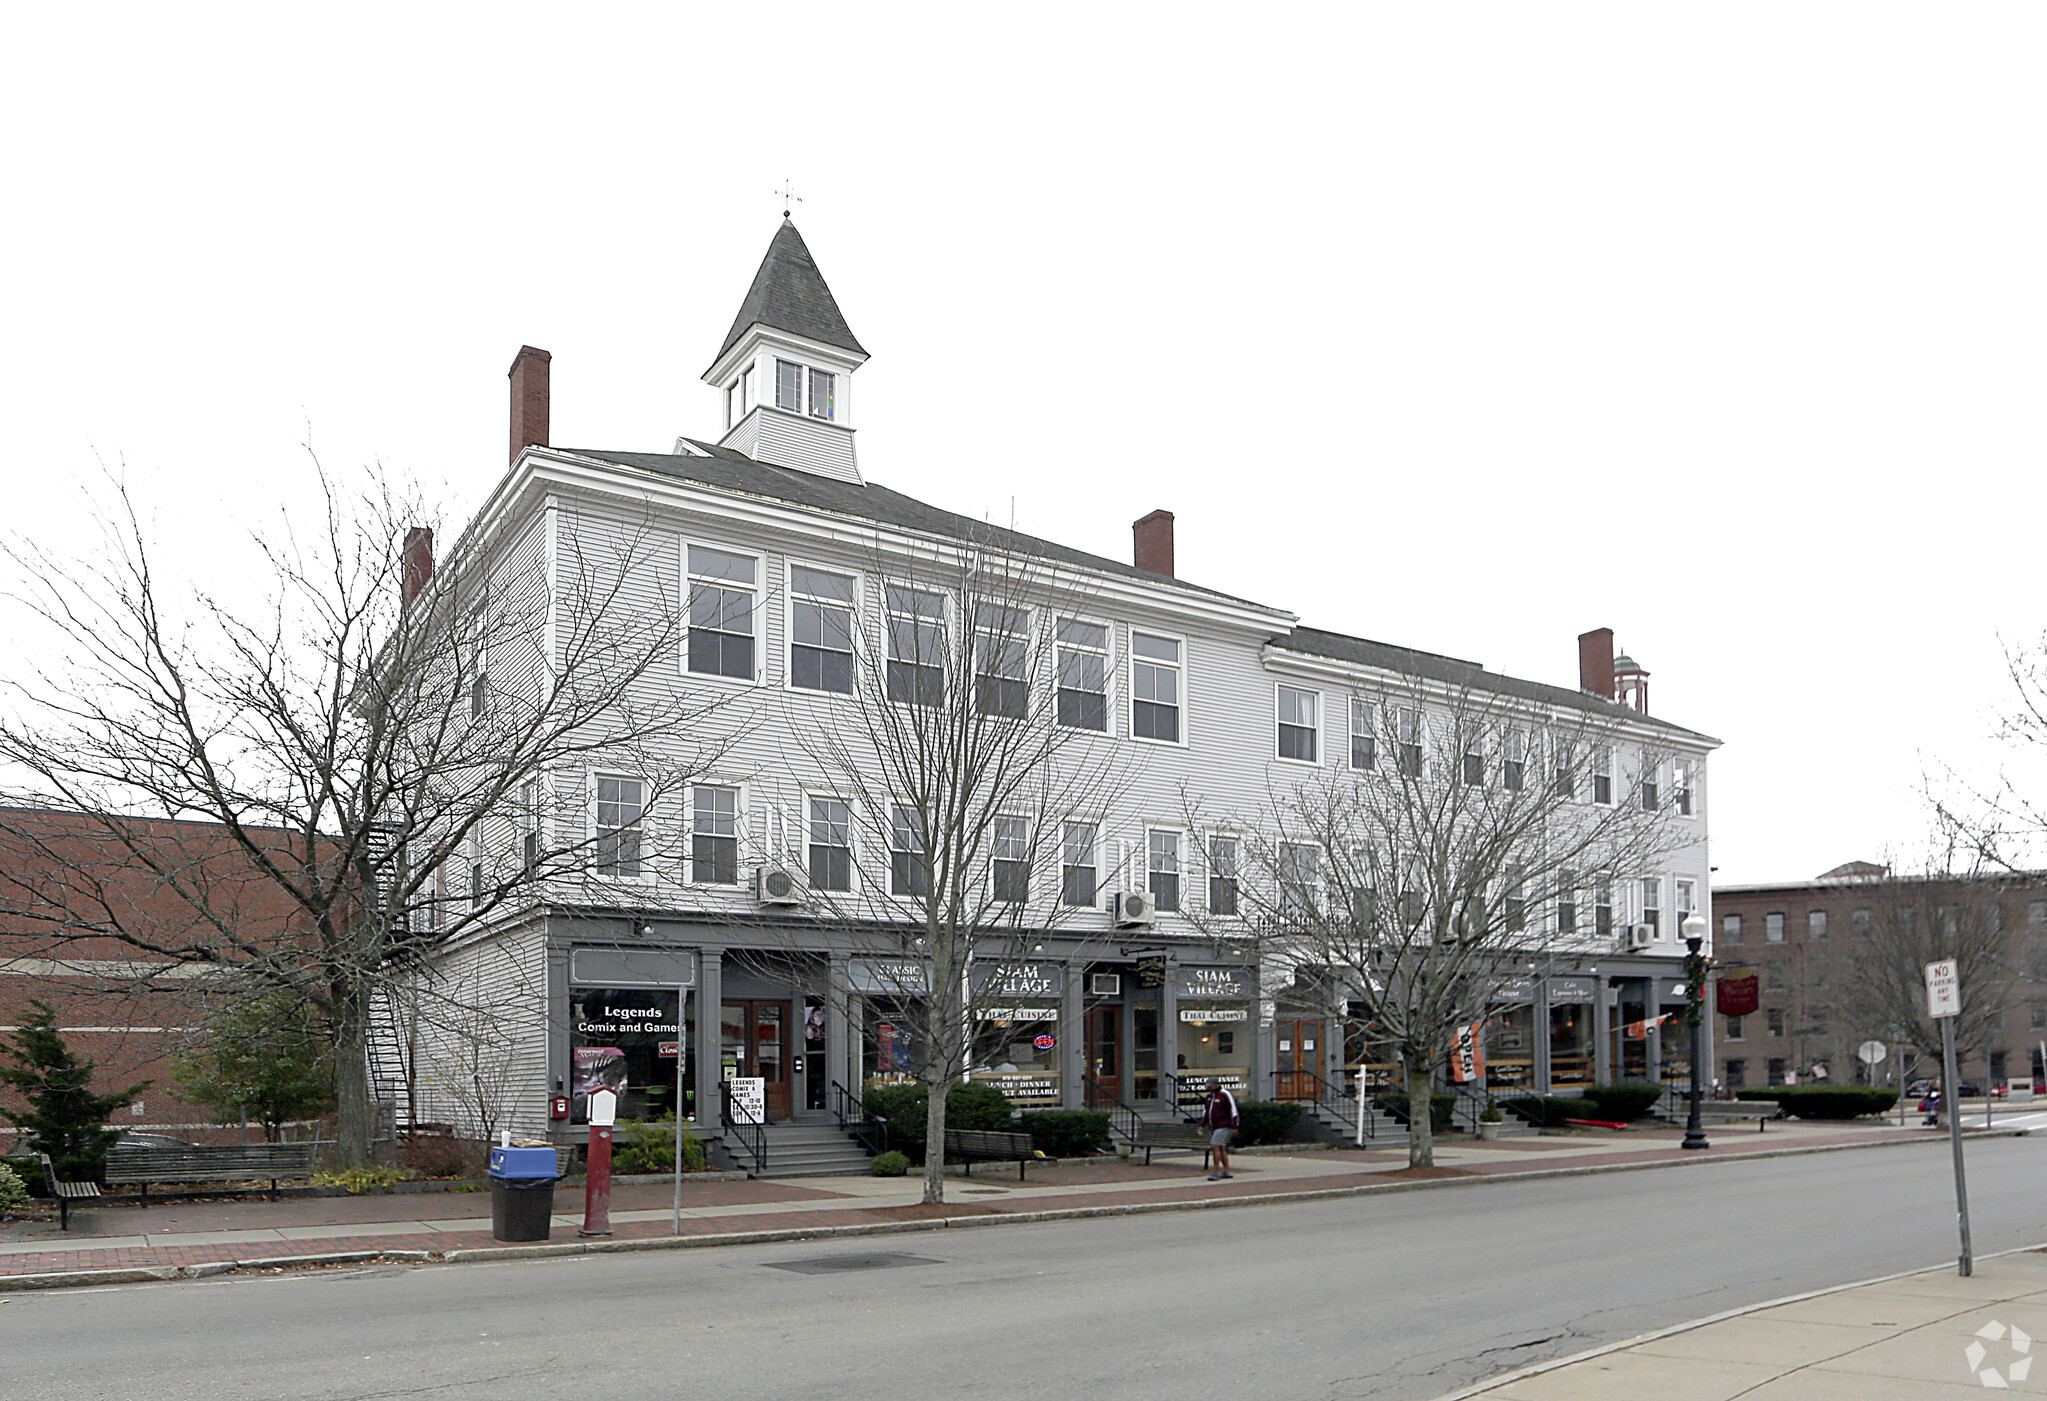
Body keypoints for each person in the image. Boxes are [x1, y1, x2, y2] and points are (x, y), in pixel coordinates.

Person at [1201, 1082, 1240, 1181]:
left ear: (1217, 1084)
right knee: (1221, 1147)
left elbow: (1233, 1110)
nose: (1209, 1087)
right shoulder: (1209, 1097)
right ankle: (1227, 1171)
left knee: (1215, 1146)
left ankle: (1216, 1172)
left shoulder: (1224, 1094)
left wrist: (1234, 1126)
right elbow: (1207, 1111)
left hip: (1223, 1125)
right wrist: (1202, 1124)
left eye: (1210, 1085)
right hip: (1213, 1126)